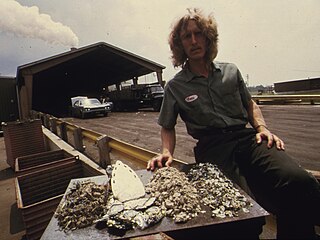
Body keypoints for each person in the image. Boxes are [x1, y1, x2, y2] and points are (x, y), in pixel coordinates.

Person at [147, 8, 320, 239]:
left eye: (198, 33)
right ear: (180, 44)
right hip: (213, 148)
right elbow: (167, 125)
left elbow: (250, 104)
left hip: (248, 139)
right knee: (239, 213)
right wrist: (166, 152)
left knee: (299, 182)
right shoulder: (175, 86)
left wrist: (262, 128)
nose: (194, 40)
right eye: (187, 36)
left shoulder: (231, 71)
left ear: (208, 37)